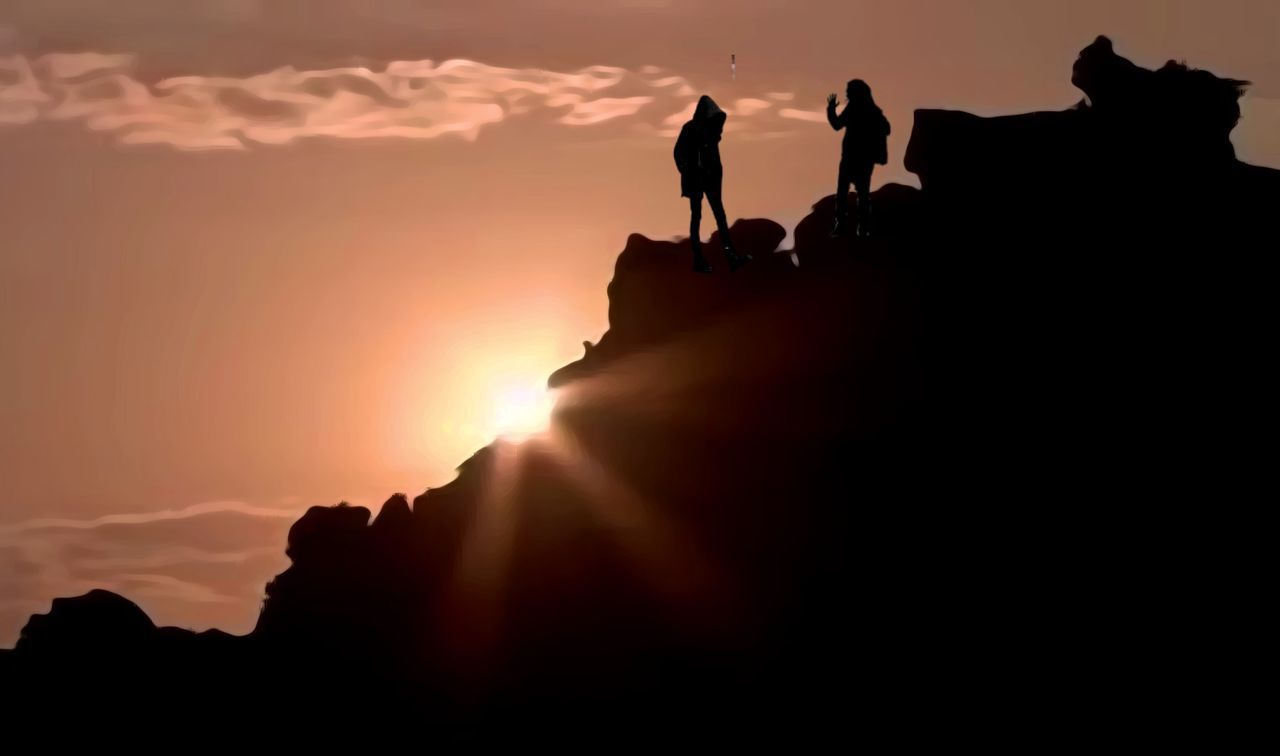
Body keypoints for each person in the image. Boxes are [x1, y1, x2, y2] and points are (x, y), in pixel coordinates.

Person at [674, 95, 750, 273]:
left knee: (719, 217)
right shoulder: (689, 129)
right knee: (697, 218)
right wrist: (687, 171)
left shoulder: (711, 132)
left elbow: (714, 158)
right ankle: (699, 260)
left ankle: (731, 257)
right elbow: (678, 153)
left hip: (710, 180)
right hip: (696, 181)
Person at [826, 80, 890, 237]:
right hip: (860, 158)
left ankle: (846, 226)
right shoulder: (873, 111)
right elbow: (886, 128)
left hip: (855, 158)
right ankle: (860, 228)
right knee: (860, 194)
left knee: (846, 193)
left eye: (849, 91)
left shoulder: (857, 109)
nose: (847, 94)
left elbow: (836, 124)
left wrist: (831, 110)